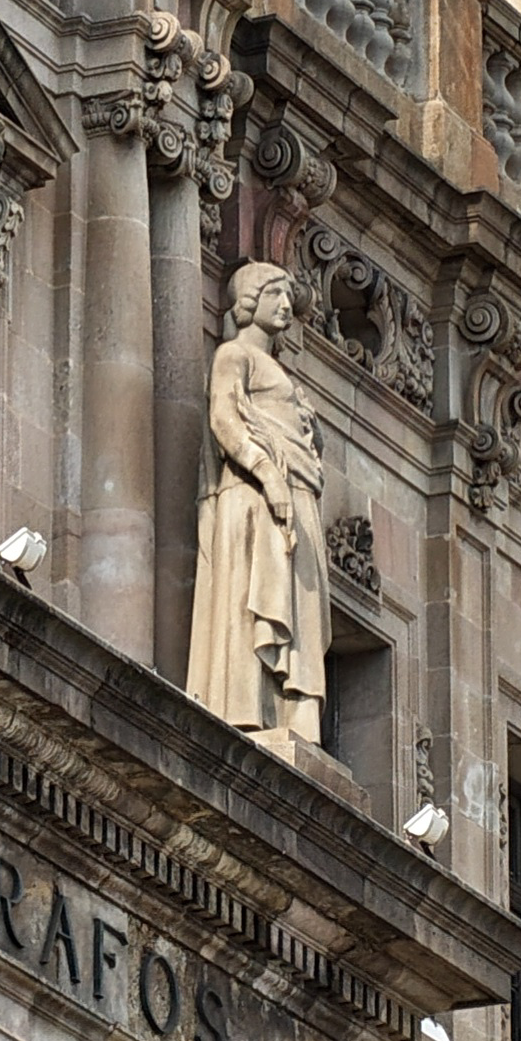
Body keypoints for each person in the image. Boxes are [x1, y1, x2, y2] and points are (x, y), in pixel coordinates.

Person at [187, 261, 327, 746]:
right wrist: (267, 474)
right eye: (274, 295)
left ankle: (297, 712)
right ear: (248, 301)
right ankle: (249, 705)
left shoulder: (277, 370)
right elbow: (224, 418)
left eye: (288, 296)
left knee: (303, 604)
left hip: (297, 488)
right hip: (257, 493)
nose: (286, 305)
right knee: (258, 593)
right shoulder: (233, 355)